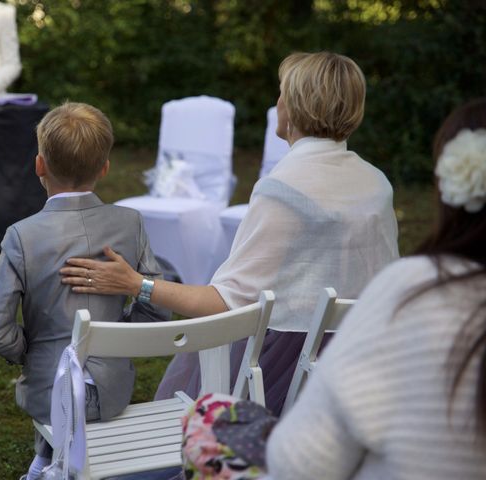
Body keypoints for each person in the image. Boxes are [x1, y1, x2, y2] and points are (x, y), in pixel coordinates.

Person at [60, 51, 399, 416]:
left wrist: (136, 284)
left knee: (211, 354)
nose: (278, 101)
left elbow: (225, 303)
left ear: (297, 105)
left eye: (282, 92)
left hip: (290, 369)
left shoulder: (283, 188)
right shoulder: (376, 182)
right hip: (359, 360)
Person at [266, 97, 486, 479]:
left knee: (215, 418)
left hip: (293, 352)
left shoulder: (418, 290)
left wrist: (144, 286)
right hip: (325, 338)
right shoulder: (376, 181)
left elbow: (301, 462)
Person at [0, 102, 170, 480]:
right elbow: (156, 308)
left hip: (50, 392)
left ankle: (47, 460)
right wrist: (113, 339)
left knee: (58, 393)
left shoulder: (22, 235)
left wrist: (32, 352)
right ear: (105, 168)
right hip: (113, 392)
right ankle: (48, 459)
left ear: (39, 165)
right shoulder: (130, 223)